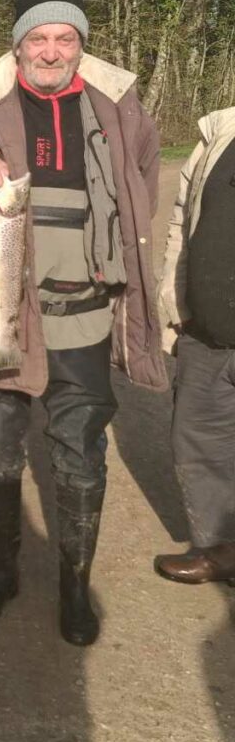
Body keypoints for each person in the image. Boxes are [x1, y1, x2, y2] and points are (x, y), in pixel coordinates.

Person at [0, 0, 166, 646]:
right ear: (17, 44)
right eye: (38, 38)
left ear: (80, 44)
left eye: (64, 37)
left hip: (83, 315)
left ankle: (75, 582)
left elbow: (143, 195)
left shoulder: (122, 107)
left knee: (79, 456)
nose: (51, 51)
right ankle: (1, 573)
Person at [154, 106, 235, 585]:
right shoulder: (218, 133)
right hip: (206, 332)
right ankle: (221, 548)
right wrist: (176, 303)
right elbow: (181, 226)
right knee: (200, 443)